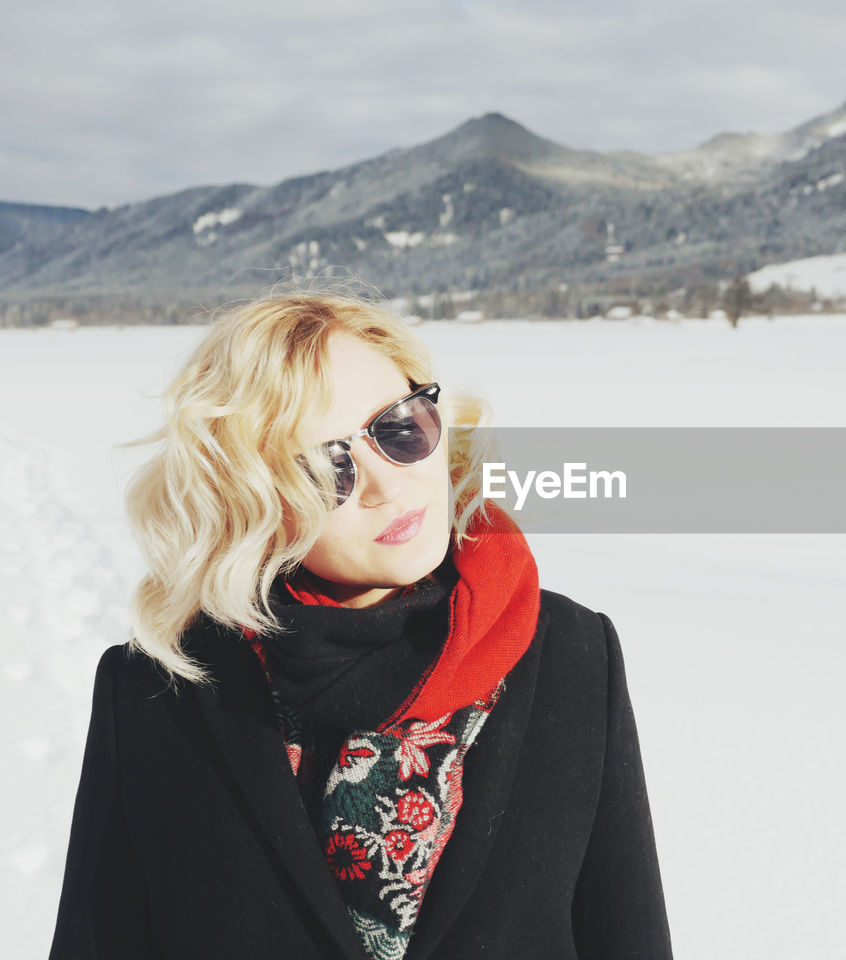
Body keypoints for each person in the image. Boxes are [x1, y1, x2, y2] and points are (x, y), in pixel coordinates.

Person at [48, 290, 673, 960]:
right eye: (322, 466)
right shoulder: (159, 689)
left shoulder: (573, 654)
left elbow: (627, 935)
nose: (386, 485)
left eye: (399, 426)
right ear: (251, 501)